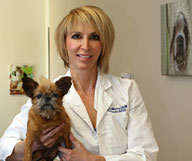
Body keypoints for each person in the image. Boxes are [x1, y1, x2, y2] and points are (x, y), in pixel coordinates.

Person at [0, 5, 159, 161]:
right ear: (64, 43)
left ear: (103, 45)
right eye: (77, 36)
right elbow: (4, 146)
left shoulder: (127, 89)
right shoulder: (47, 93)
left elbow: (147, 154)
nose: (85, 46)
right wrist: (34, 145)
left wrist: (95, 160)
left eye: (94, 37)